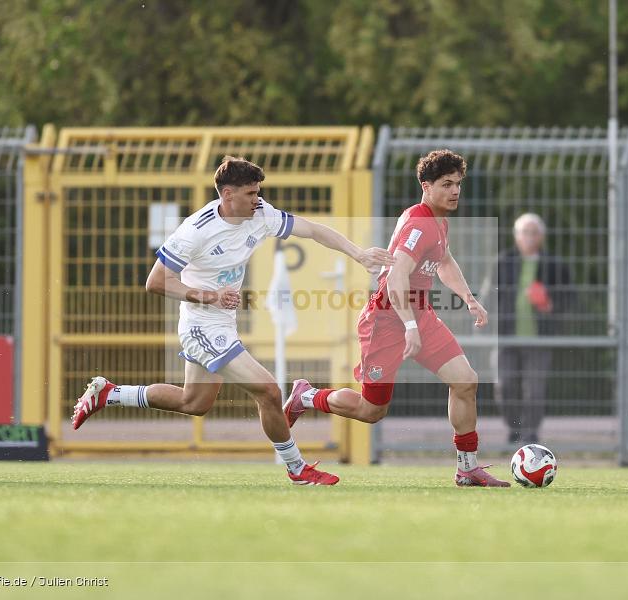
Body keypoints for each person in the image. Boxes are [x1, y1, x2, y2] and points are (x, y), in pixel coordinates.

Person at [71, 156, 394, 486]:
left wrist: (358, 254)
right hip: (201, 325)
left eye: (258, 192)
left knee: (192, 402)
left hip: (221, 322)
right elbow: (155, 282)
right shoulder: (195, 232)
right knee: (269, 391)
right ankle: (297, 469)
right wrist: (210, 297)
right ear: (227, 194)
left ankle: (109, 394)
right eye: (251, 193)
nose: (258, 199)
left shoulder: (260, 214)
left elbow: (311, 230)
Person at [283, 149, 510, 488]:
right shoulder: (419, 223)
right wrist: (410, 326)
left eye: (458, 184)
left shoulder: (439, 222)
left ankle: (467, 468)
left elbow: (445, 262)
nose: (455, 191)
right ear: (425, 186)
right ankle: (306, 396)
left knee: (466, 381)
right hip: (387, 320)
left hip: (420, 313)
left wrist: (469, 298)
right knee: (370, 411)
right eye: (446, 184)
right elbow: (396, 277)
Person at [494, 213, 572, 445]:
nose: (529, 237)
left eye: (534, 232)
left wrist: (550, 304)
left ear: (542, 237)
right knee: (505, 385)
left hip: (540, 338)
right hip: (505, 337)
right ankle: (515, 429)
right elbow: (490, 294)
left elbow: (569, 297)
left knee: (535, 389)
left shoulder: (554, 265)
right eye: (524, 232)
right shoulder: (504, 261)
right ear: (516, 237)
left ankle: (530, 433)